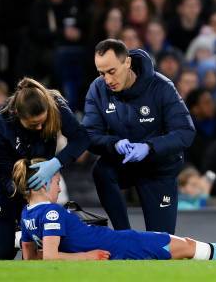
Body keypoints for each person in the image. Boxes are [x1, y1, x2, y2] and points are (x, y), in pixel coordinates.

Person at [14, 158, 216, 260]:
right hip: (120, 245)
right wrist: (87, 256)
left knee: (183, 249)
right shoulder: (51, 213)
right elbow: (49, 258)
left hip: (116, 244)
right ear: (43, 182)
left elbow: (31, 258)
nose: (59, 188)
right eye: (57, 181)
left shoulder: (27, 214)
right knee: (184, 246)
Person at [0, 77, 90, 260]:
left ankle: (14, 233)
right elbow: (4, 177)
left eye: (44, 121)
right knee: (0, 254)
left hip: (40, 177)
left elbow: (81, 139)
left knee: (50, 236)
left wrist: (56, 163)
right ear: (18, 114)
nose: (41, 127)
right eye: (34, 124)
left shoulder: (55, 107)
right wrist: (29, 196)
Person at [83, 39, 195, 234]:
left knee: (160, 244)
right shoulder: (98, 89)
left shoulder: (161, 87)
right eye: (101, 73)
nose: (108, 80)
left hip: (159, 167)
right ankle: (123, 235)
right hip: (125, 162)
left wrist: (149, 147)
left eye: (112, 71)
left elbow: (185, 132)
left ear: (127, 63)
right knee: (101, 171)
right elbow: (89, 134)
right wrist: (114, 144)